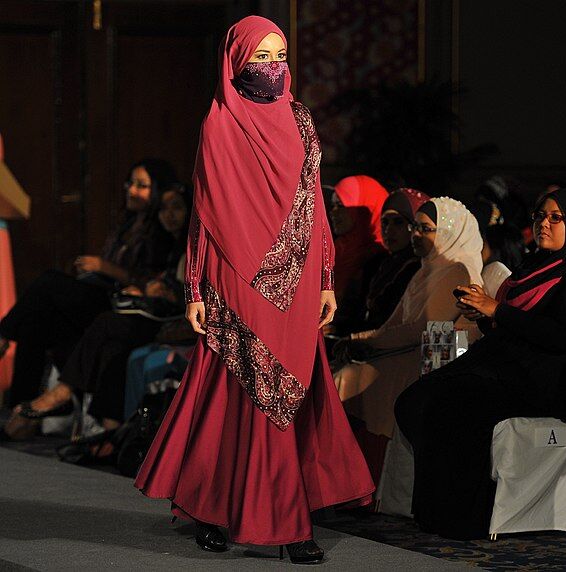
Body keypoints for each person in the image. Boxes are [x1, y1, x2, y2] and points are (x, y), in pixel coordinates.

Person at [132, 17, 373, 564]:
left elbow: (314, 202)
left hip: (298, 276)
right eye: (260, 56)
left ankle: (241, 511)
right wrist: (195, 287)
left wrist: (326, 278)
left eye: (280, 55)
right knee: (241, 393)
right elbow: (205, 211)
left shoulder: (301, 120)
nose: (273, 66)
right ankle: (278, 523)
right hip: (235, 276)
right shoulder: (219, 122)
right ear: (236, 62)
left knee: (286, 392)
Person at [395, 188, 566, 540]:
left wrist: (497, 310)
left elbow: (564, 337)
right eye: (539, 216)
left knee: (454, 404)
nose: (544, 224)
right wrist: (486, 316)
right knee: (415, 400)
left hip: (552, 382)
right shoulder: (535, 268)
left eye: (556, 218)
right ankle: (437, 507)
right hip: (513, 369)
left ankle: (464, 517)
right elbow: (518, 330)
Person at [3, 184, 194, 450]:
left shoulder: (186, 244)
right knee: (45, 322)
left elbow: (182, 291)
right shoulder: (134, 230)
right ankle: (106, 434)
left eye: (177, 208)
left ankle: (60, 393)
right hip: (131, 309)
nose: (169, 214)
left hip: (162, 320)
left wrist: (125, 277)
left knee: (81, 306)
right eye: (164, 208)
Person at [0, 158, 176, 408]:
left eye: (142, 185)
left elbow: (151, 283)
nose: (132, 190)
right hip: (101, 292)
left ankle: (3, 336)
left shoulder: (163, 229)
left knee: (49, 281)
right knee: (34, 324)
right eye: (130, 183)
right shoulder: (127, 224)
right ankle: (20, 409)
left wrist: (105, 267)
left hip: (124, 307)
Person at [332, 197, 483, 477]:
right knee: (344, 376)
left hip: (437, 365)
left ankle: (354, 477)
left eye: (426, 229)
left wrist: (364, 340)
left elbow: (424, 329)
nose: (415, 234)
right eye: (415, 226)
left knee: (347, 380)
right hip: (413, 354)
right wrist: (359, 340)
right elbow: (396, 323)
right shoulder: (426, 269)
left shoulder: (457, 270)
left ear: (449, 232)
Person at [327, 175, 389, 336]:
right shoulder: (336, 250)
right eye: (333, 205)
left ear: (363, 208)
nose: (333, 212)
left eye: (341, 206)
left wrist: (339, 329)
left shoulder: (381, 260)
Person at [362, 187, 430, 330]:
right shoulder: (380, 263)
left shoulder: (419, 267)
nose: (388, 230)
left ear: (415, 225)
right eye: (385, 222)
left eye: (398, 222)